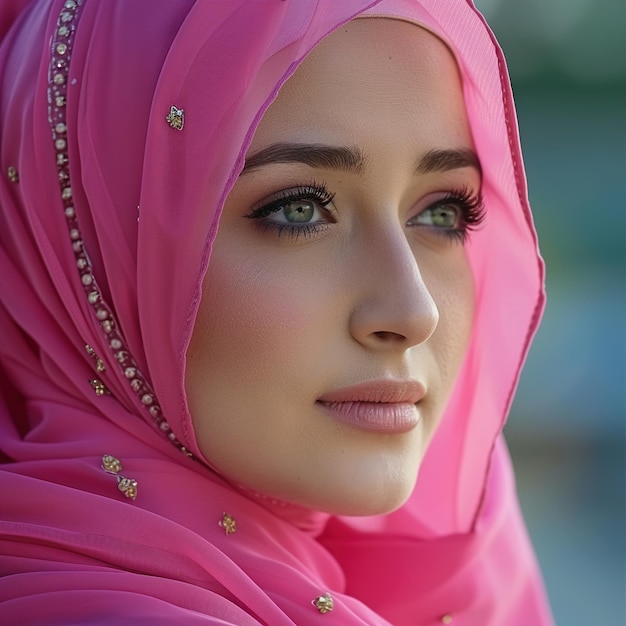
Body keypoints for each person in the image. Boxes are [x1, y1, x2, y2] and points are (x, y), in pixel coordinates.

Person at [0, 1, 555, 624]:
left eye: (442, 213)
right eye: (299, 209)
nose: (413, 310)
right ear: (101, 260)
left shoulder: (453, 575)